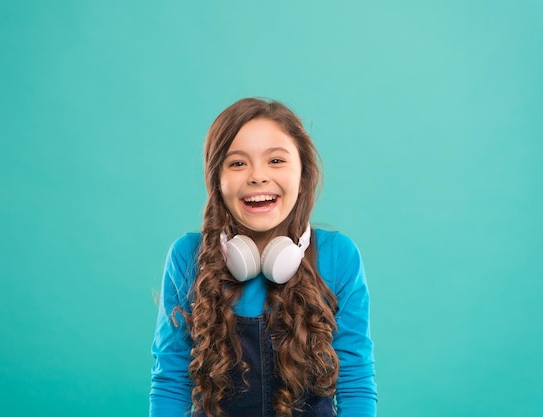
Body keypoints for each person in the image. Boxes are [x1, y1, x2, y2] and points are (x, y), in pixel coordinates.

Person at [150, 98, 377, 417]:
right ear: (217, 180)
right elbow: (170, 383)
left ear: (303, 173)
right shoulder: (187, 256)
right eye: (238, 163)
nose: (257, 176)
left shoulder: (339, 256)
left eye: (276, 161)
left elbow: (356, 385)